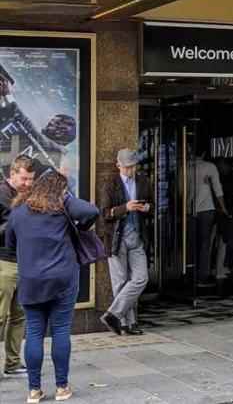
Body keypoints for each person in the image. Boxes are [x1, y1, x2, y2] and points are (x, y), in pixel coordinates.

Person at [5, 171, 99, 403]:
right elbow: (91, 212)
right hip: (63, 279)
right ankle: (61, 387)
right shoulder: (61, 207)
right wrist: (65, 199)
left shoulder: (18, 212)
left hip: (30, 281)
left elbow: (10, 243)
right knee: (60, 331)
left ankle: (34, 391)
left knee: (34, 333)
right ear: (60, 191)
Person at [98, 149, 152, 336]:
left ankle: (113, 314)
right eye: (127, 167)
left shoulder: (143, 180)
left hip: (137, 236)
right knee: (120, 282)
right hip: (116, 238)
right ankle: (128, 323)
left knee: (141, 278)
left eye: (133, 166)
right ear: (118, 165)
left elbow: (152, 203)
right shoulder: (110, 184)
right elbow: (105, 213)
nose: (131, 170)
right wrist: (125, 208)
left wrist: (147, 207)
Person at [0, 156, 35, 379]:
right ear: (12, 174)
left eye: (31, 179)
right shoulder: (2, 194)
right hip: (4, 261)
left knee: (19, 315)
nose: (28, 183)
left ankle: (12, 363)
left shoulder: (26, 195)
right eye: (24, 178)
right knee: (0, 316)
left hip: (23, 261)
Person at [190, 151, 229, 285]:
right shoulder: (210, 167)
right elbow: (218, 190)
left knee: (191, 243)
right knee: (205, 243)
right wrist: (224, 208)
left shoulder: (186, 167)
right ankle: (203, 276)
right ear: (203, 154)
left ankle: (189, 274)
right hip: (207, 209)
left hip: (189, 210)